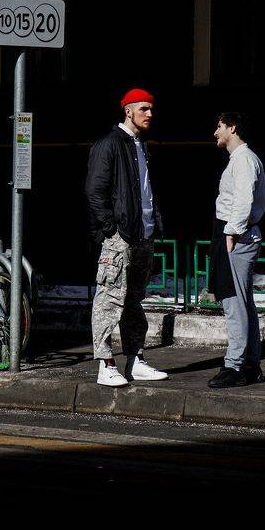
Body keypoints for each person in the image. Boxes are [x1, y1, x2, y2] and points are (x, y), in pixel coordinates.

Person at [84, 88, 170, 386]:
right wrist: (111, 228)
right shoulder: (109, 144)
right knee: (109, 299)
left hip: (143, 234)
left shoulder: (141, 145)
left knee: (134, 300)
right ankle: (105, 364)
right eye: (144, 108)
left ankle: (135, 360)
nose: (150, 114)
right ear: (127, 110)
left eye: (151, 108)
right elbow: (95, 192)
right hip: (120, 236)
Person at [207, 111, 265, 388]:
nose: (215, 132)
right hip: (237, 234)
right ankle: (250, 364)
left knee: (234, 303)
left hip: (236, 236)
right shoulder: (242, 159)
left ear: (232, 128)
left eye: (219, 126)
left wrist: (232, 231)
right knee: (242, 303)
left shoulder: (243, 159)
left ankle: (235, 366)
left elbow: (243, 200)